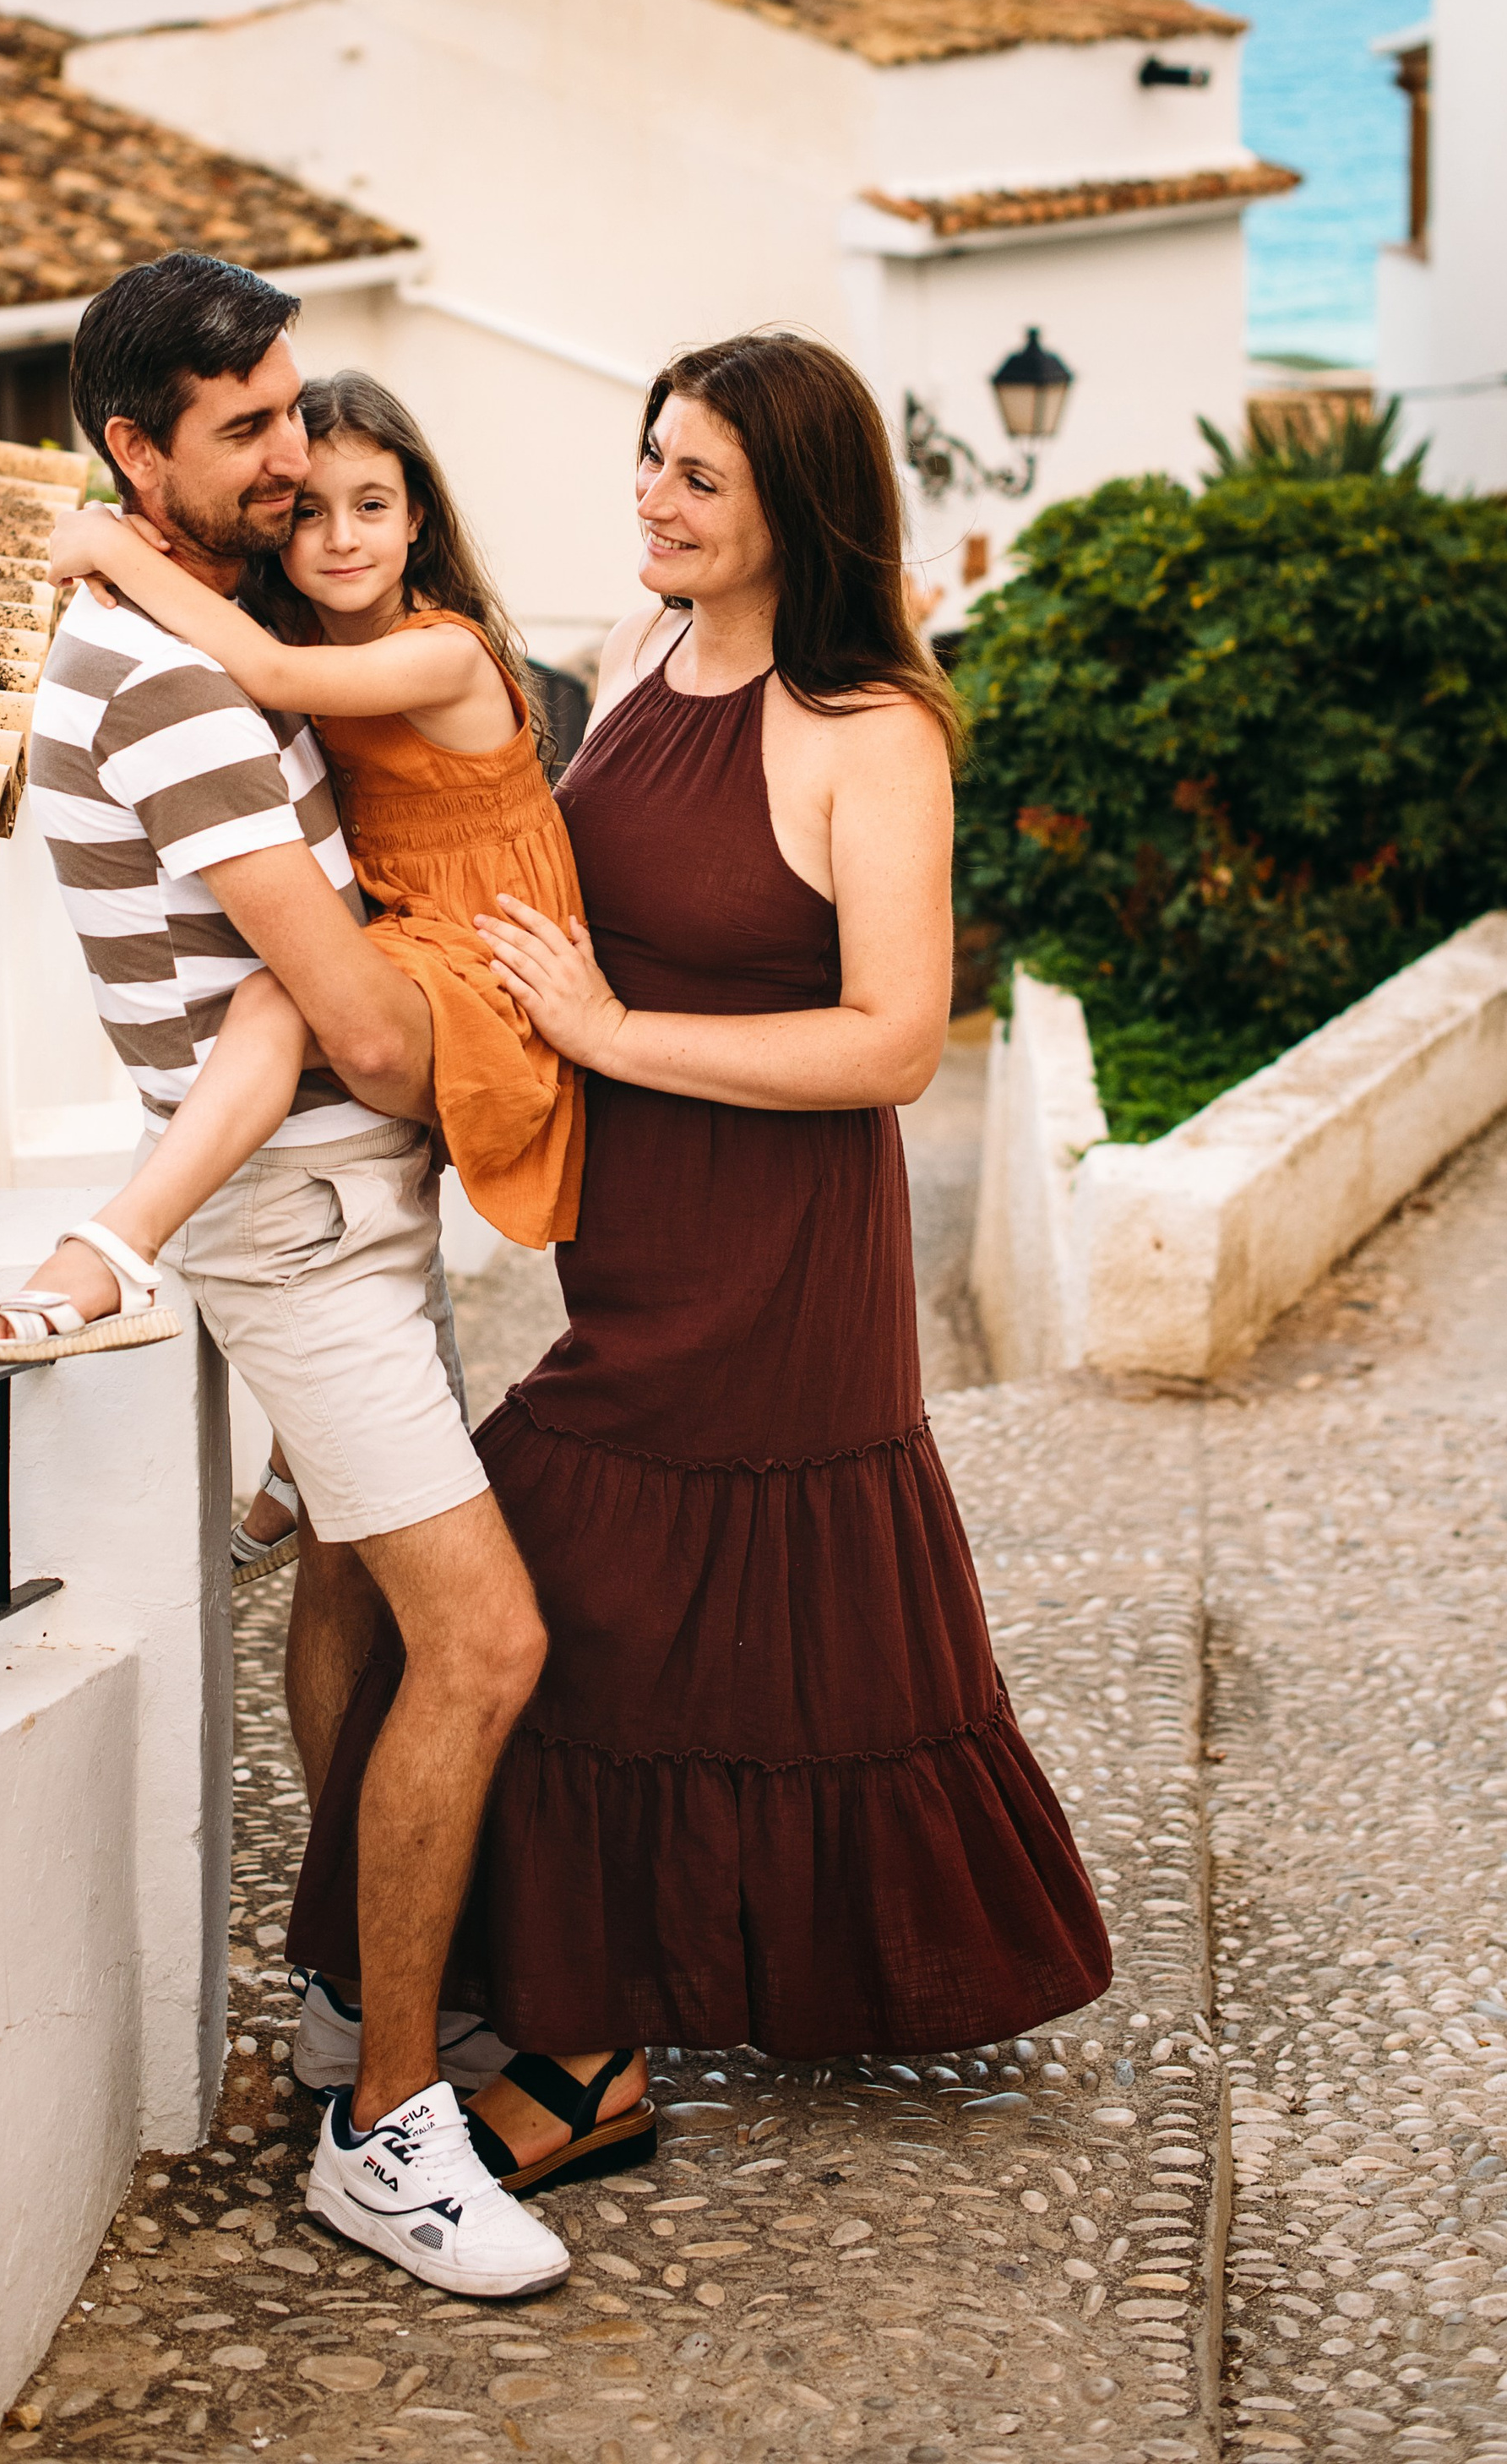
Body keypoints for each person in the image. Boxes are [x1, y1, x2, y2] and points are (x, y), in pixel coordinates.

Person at [288, 329, 1111, 2194]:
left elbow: (896, 1043)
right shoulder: (647, 651)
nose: (648, 497)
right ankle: (549, 2022)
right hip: (633, 1243)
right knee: (633, 1630)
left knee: (558, 1599)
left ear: (790, 513)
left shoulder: (869, 731)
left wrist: (609, 1042)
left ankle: (581, 2060)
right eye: (648, 458)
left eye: (695, 478)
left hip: (774, 1264)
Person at [0, 252, 569, 2300]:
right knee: (481, 1644)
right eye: (244, 432)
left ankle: (338, 1996)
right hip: (301, 1212)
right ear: (130, 447)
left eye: (296, 410)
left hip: (329, 1203)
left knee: (340, 1576)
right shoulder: (164, 676)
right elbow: (371, 1034)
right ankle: (385, 2127)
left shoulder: (174, 622)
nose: (293, 456)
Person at [24, 366, 586, 1302]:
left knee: (275, 1003)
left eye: (371, 505)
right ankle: (293, 1449)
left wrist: (115, 551)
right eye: (310, 513)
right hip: (413, 931)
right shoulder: (308, 632)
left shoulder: (442, 655)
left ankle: (117, 1244)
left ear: (418, 519)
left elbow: (271, 674)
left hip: (487, 949)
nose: (340, 539)